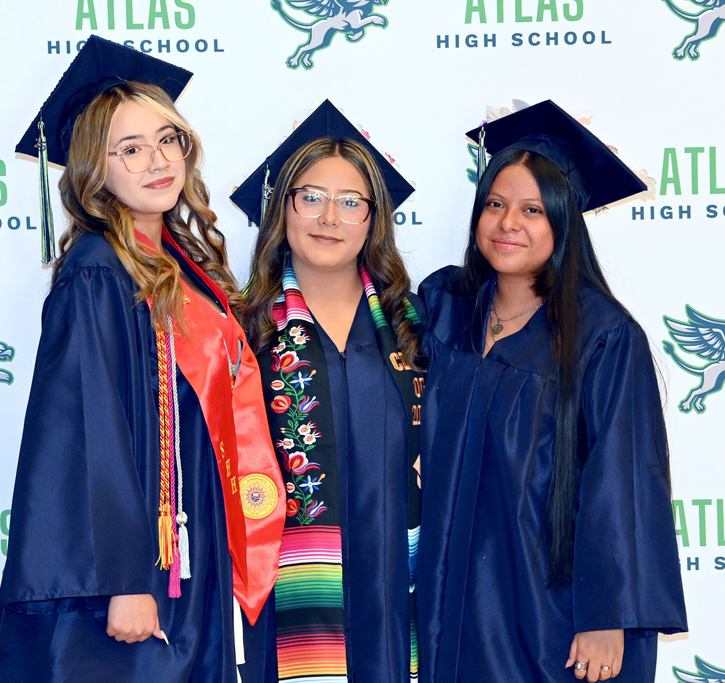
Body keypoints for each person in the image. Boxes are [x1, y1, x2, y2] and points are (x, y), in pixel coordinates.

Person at [0, 36, 284, 682]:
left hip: (187, 547)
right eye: (130, 149)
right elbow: (86, 428)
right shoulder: (98, 270)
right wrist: (122, 580)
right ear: (96, 170)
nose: (157, 160)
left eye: (167, 140)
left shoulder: (178, 265)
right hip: (133, 570)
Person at [416, 100, 687, 683]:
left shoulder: (604, 336)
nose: (508, 223)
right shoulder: (443, 306)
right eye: (495, 204)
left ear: (565, 220)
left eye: (533, 209)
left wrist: (607, 615)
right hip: (448, 588)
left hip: (549, 604)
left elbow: (624, 479)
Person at [230, 100, 424, 682]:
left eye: (350, 202)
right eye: (310, 197)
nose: (329, 218)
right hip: (287, 587)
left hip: (400, 579)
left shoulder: (415, 325)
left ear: (373, 219)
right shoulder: (244, 330)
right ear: (282, 209)